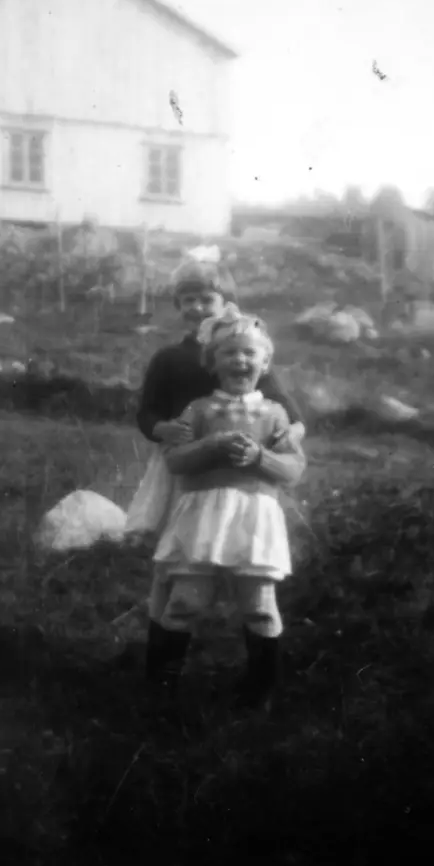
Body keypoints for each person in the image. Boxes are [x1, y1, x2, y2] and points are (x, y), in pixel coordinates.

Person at [124, 260, 305, 668]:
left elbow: (288, 413)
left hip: (244, 470)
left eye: (207, 298)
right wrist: (162, 429)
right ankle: (159, 656)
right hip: (186, 461)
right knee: (175, 565)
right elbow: (147, 412)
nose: (197, 307)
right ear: (178, 305)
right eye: (188, 299)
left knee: (242, 561)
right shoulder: (171, 357)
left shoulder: (245, 347)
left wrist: (285, 441)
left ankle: (247, 661)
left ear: (226, 302)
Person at [146, 311, 306, 714]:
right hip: (202, 517)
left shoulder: (274, 415)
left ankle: (259, 692)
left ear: (265, 363)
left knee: (258, 605)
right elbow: (175, 460)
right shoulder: (198, 410)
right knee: (184, 601)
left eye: (249, 353)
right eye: (229, 353)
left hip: (255, 518)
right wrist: (210, 446)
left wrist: (260, 457)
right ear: (213, 363)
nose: (240, 361)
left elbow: (293, 468)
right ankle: (161, 689)